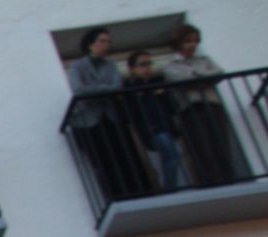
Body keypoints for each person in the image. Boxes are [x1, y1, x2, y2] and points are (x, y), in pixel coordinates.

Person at [67, 27, 152, 202]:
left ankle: (137, 192)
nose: (107, 45)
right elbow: (78, 90)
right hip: (90, 121)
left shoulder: (111, 65)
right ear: (90, 44)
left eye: (108, 41)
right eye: (102, 41)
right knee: (103, 161)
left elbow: (117, 87)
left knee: (125, 156)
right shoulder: (77, 66)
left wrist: (94, 91)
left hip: (112, 118)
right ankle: (115, 196)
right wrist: (103, 91)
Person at [164, 23, 243, 186]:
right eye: (188, 41)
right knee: (202, 148)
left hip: (213, 105)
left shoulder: (205, 59)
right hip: (192, 109)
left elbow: (218, 73)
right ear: (179, 43)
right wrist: (204, 78)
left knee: (221, 144)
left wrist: (197, 77)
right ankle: (212, 182)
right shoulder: (171, 66)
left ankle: (229, 179)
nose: (193, 45)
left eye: (195, 41)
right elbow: (182, 80)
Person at [124, 52, 186, 191]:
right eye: (142, 64)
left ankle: (172, 187)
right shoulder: (130, 88)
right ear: (132, 69)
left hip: (167, 127)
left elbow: (172, 107)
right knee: (172, 153)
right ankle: (170, 189)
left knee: (171, 156)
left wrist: (163, 94)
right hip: (151, 129)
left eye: (149, 64)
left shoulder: (158, 83)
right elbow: (131, 113)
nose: (147, 68)